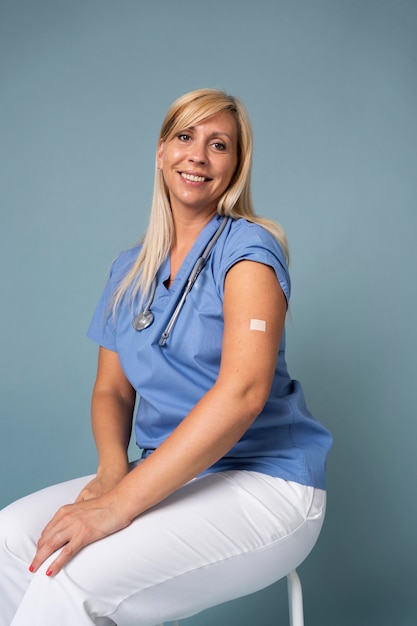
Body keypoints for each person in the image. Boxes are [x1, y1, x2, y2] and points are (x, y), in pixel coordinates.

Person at [0, 88, 332, 626]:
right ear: (161, 153)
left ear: (235, 166)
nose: (198, 155)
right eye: (185, 137)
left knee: (71, 579)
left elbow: (244, 395)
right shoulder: (130, 268)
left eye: (218, 144)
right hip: (167, 474)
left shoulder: (249, 252)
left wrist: (118, 506)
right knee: (10, 539)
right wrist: (112, 472)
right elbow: (111, 389)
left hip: (265, 483)